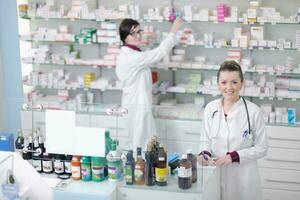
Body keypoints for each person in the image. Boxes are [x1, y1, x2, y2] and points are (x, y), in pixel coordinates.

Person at [198, 60, 268, 200]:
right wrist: (204, 153)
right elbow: (205, 138)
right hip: (216, 173)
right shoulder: (210, 109)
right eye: (224, 82)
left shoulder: (253, 111)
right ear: (218, 84)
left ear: (242, 83)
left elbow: (262, 147)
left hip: (242, 175)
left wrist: (234, 157)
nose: (229, 87)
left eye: (234, 82)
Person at [116, 17, 184, 150]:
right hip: (137, 105)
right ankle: (139, 168)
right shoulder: (132, 57)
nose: (138, 35)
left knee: (141, 140)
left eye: (139, 31)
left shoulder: (133, 53)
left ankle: (141, 167)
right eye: (133, 33)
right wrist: (173, 30)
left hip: (136, 103)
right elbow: (159, 53)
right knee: (139, 142)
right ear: (125, 37)